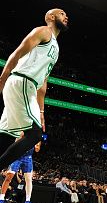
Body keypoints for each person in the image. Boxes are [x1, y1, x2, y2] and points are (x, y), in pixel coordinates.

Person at [0, 9, 68, 170]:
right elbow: (17, 53)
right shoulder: (43, 31)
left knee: (6, 137)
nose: (66, 17)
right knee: (35, 135)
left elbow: (43, 83)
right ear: (51, 17)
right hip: (22, 81)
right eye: (62, 13)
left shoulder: (55, 47)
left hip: (28, 86)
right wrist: (2, 78)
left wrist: (41, 112)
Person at [0, 138, 41, 203]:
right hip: (17, 157)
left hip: (28, 158)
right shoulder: (21, 134)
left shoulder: (36, 138)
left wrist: (37, 145)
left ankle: (27, 201)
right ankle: (1, 199)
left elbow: (37, 150)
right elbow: (15, 146)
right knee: (8, 178)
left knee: (28, 179)